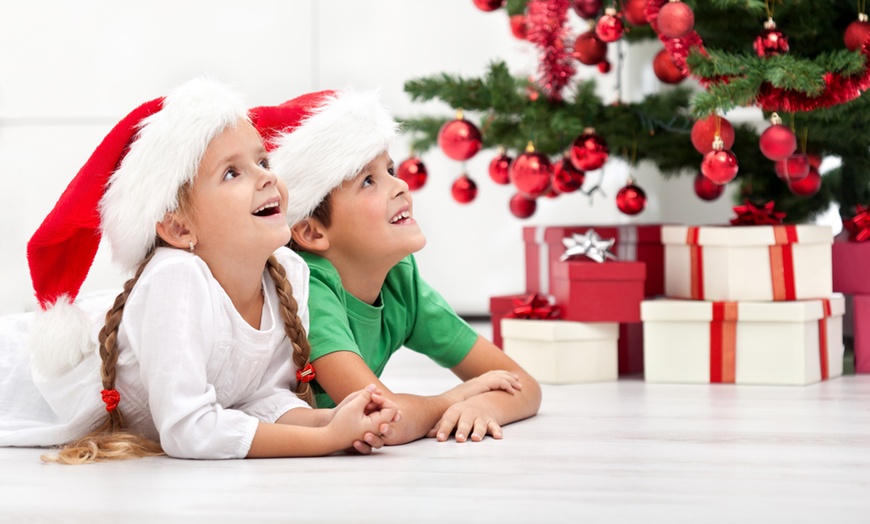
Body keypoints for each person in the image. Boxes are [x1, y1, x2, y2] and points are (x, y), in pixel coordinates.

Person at [0, 78, 400, 463]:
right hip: (15, 371)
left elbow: (259, 400)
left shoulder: (288, 275)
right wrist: (326, 440)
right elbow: (187, 429)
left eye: (262, 160)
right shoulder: (176, 279)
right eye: (232, 172)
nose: (267, 176)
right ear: (179, 228)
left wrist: (334, 419)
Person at [250, 90, 542, 446]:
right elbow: (384, 420)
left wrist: (486, 408)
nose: (401, 184)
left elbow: (521, 382)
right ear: (312, 231)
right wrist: (453, 399)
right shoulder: (309, 286)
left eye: (389, 169)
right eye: (369, 181)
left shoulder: (401, 281)